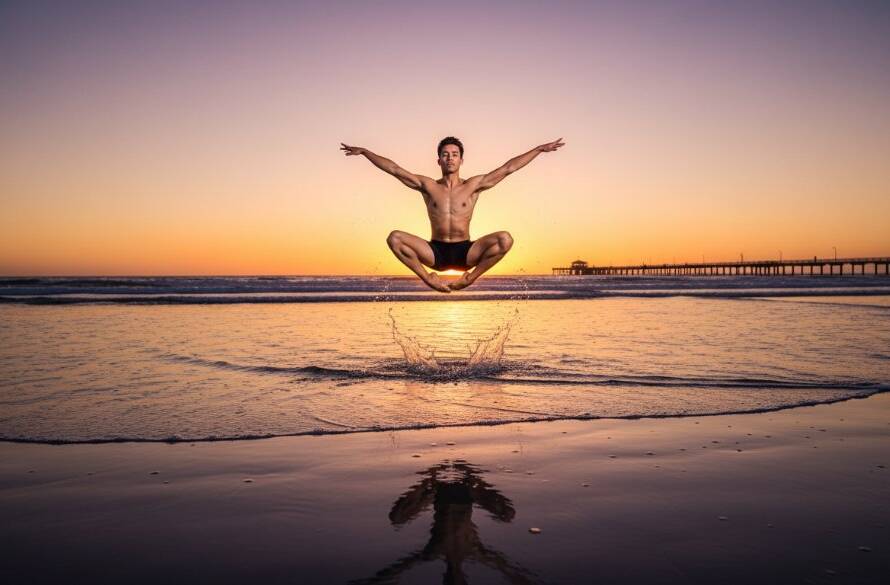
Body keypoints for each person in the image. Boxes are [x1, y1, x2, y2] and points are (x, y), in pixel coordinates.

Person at [341, 136, 565, 292]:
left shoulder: (474, 185)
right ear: (438, 160)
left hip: (466, 251)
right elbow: (395, 169)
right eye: (445, 154)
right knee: (394, 238)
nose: (450, 158)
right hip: (435, 252)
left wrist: (538, 149)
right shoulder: (427, 185)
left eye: (454, 154)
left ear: (461, 160)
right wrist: (366, 153)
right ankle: (428, 278)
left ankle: (470, 278)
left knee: (505, 239)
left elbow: (508, 168)